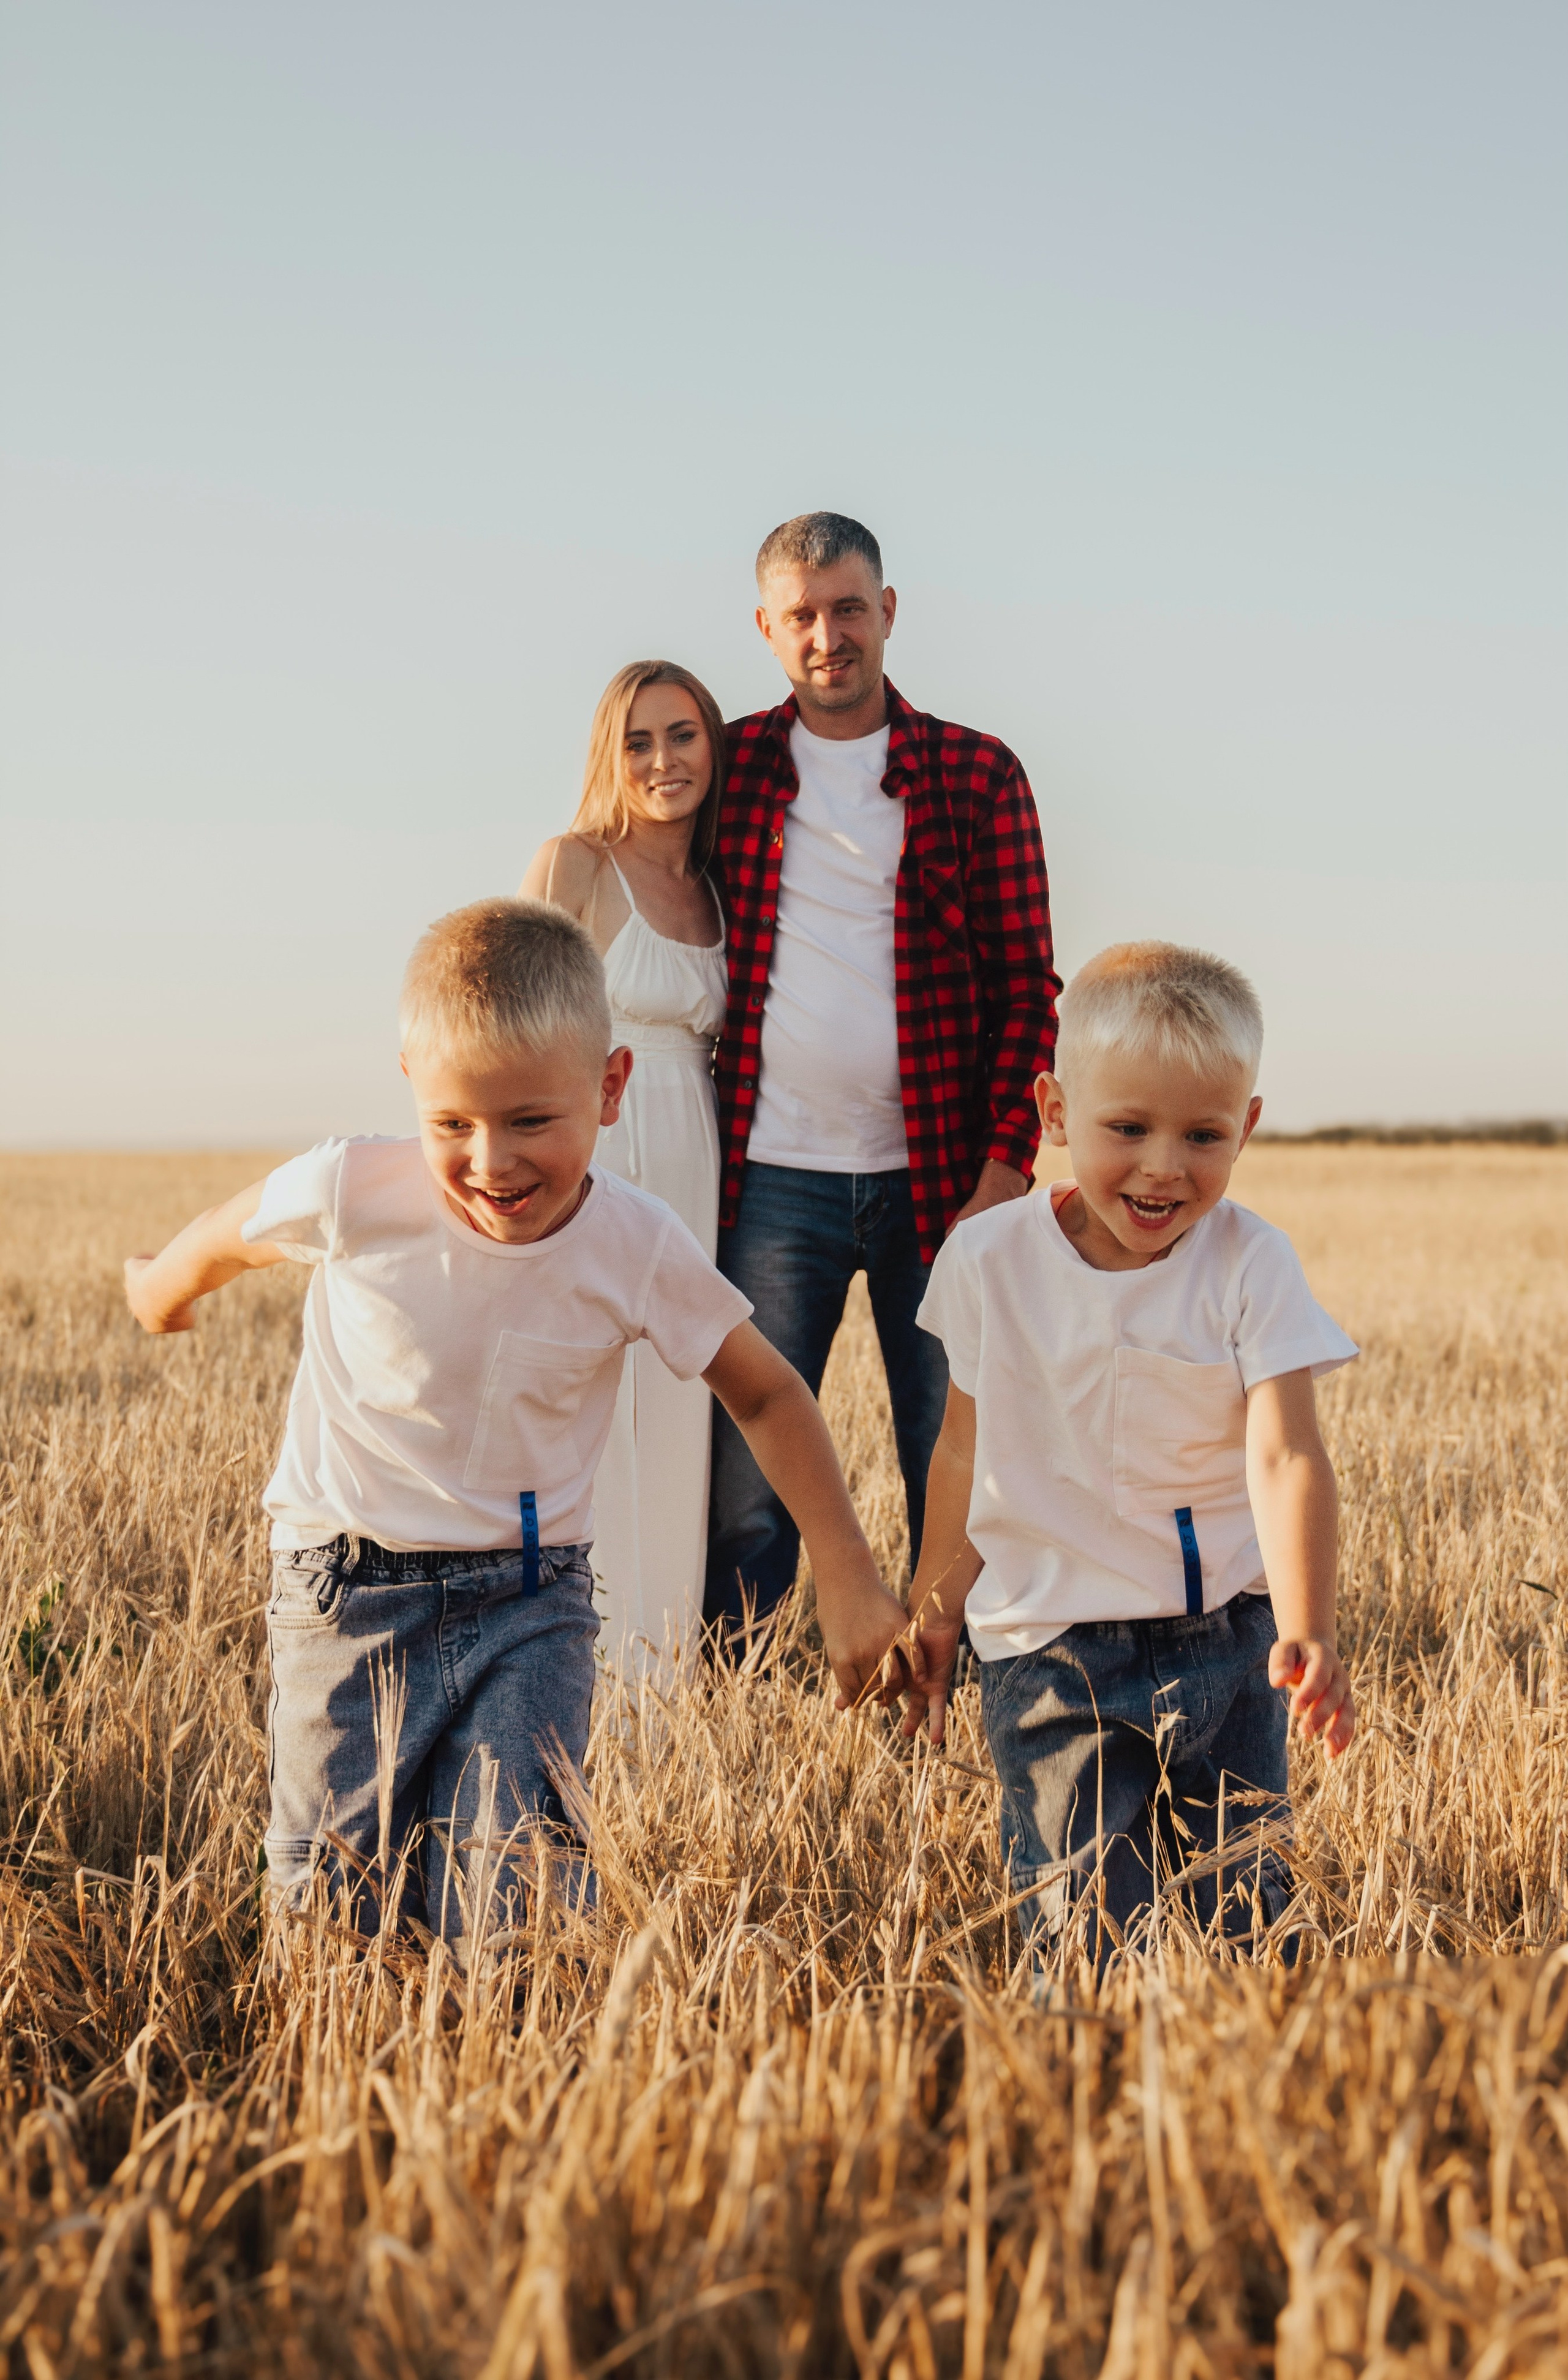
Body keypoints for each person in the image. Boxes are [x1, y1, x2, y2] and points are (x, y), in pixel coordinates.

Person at [123, 899, 907, 1946]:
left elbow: (766, 1391)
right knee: (331, 1915)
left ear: (611, 1088)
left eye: (532, 1120)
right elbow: (230, 1234)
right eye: (454, 1124)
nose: (491, 1163)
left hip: (531, 1603)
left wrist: (848, 1573)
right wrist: (160, 1290)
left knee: (515, 1912)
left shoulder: (636, 1244)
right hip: (346, 1592)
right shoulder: (359, 1187)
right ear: (412, 1084)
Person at [900, 942, 1359, 1965]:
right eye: (1127, 1128)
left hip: (1230, 1643)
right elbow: (962, 1451)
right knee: (1085, 1934)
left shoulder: (1250, 1261)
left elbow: (1287, 1456)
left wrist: (1309, 1626)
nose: (1163, 1167)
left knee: (1249, 1918)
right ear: (1055, 1112)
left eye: (1202, 1134)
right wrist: (934, 1609)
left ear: (1247, 1125)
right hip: (1051, 1652)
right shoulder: (989, 1258)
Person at [707, 511, 1060, 1645]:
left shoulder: (975, 771)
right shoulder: (731, 768)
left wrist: (1006, 1170)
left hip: (940, 1182)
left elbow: (1027, 990)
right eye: (802, 615)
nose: (829, 636)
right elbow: (628, 859)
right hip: (770, 1177)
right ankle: (740, 1707)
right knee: (747, 1487)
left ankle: (946, 1699)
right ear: (767, 628)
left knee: (949, 1465)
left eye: (849, 608)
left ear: (889, 612)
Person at [521, 662, 727, 1674]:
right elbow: (517, 1021)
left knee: (679, 1407)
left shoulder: (719, 882)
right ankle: (584, 1676)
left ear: (713, 744)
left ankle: (666, 1680)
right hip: (607, 1141)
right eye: (638, 740)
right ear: (611, 751)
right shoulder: (576, 863)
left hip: (699, 1148)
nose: (662, 759)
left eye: (682, 734)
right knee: (602, 1410)